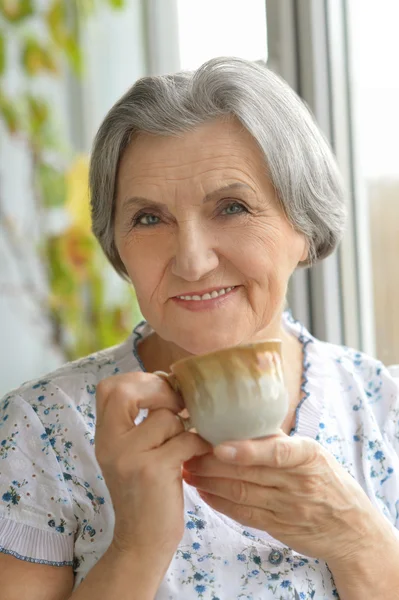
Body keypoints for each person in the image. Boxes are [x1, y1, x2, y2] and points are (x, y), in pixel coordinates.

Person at [0, 57, 398, 600]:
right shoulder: (40, 431)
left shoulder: (385, 413)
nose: (191, 260)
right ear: (116, 245)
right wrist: (136, 547)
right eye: (148, 218)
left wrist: (359, 539)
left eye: (231, 207)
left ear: (303, 227)